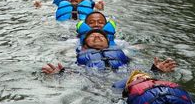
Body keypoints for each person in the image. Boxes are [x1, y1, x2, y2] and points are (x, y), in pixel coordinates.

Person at [42, 30, 170, 73]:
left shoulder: (122, 54)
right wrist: (60, 73)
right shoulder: (77, 56)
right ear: (85, 46)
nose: (97, 36)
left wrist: (155, 70)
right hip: (93, 80)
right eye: (92, 36)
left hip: (123, 76)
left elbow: (136, 70)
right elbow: (75, 71)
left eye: (101, 36)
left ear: (109, 44)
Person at [120, 69, 195, 104]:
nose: (141, 77)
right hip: (178, 102)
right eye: (136, 78)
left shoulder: (158, 84)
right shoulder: (132, 91)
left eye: (143, 75)